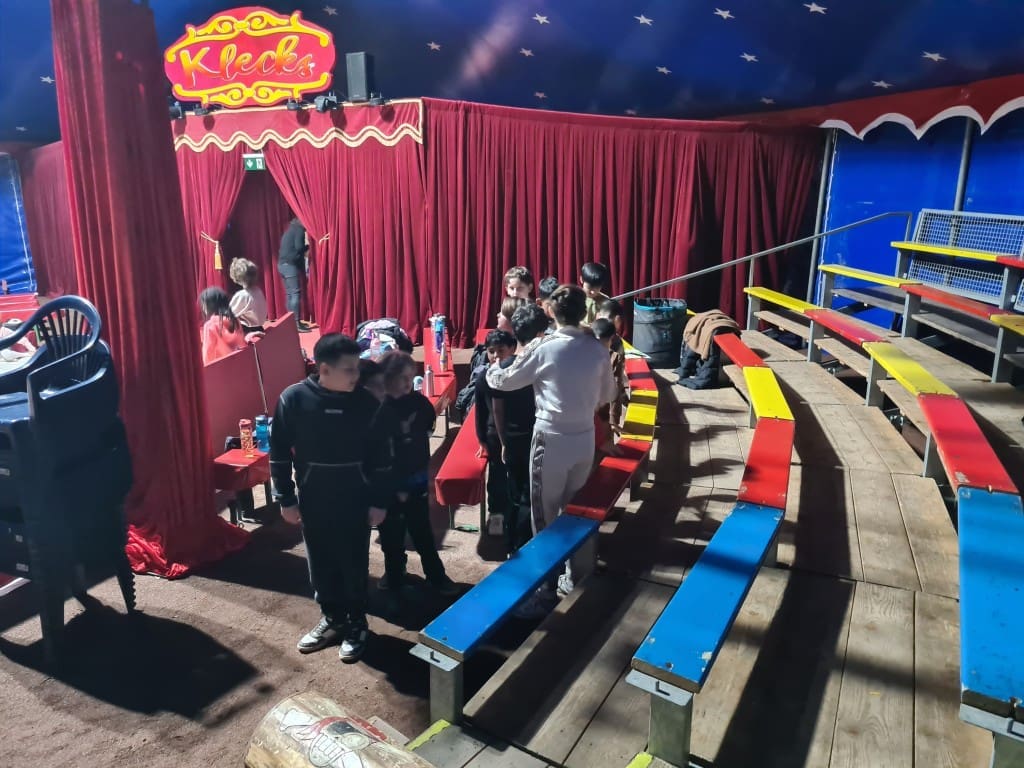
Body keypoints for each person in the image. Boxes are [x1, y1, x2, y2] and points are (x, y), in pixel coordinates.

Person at [487, 285, 616, 612]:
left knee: (544, 516)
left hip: (551, 439)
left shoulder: (545, 347)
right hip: (584, 438)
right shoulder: (597, 348)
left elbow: (504, 381)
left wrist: (492, 366)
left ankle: (545, 590)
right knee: (577, 511)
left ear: (551, 313)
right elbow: (608, 395)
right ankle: (575, 577)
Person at [270, 333, 394, 663]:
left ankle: (357, 624)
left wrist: (379, 501)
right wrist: (285, 498)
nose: (356, 375)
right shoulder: (293, 399)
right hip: (314, 498)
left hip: (356, 499)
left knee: (353, 563)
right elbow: (279, 452)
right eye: (349, 369)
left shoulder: (366, 403)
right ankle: (333, 618)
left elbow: (383, 457)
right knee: (321, 563)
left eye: (357, 368)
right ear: (324, 369)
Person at [376, 350, 459, 596]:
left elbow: (427, 431)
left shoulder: (420, 404)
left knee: (422, 530)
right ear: (386, 378)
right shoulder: (377, 408)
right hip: (387, 486)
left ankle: (436, 575)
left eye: (411, 377)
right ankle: (394, 575)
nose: (409, 382)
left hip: (416, 481)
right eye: (402, 378)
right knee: (390, 535)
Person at [499, 303, 549, 551]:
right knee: (532, 495)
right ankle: (526, 547)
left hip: (511, 439)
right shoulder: (542, 368)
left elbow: (496, 412)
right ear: (540, 334)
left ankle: (511, 545)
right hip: (535, 438)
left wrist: (503, 442)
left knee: (515, 492)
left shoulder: (502, 368)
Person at [474, 330, 517, 537]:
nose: (496, 356)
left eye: (501, 350)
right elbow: (480, 411)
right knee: (497, 474)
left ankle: (516, 511)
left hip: (517, 432)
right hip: (494, 435)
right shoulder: (484, 377)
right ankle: (496, 513)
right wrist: (481, 438)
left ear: (513, 349)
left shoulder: (520, 374)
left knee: (518, 473)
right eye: (492, 352)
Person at [596, 299, 628, 434]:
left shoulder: (616, 349)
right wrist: (613, 420)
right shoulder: (586, 337)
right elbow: (616, 383)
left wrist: (613, 419)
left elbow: (616, 383)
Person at [278, 216, 312, 332]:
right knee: (295, 293)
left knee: (290, 294)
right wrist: (309, 246)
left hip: (282, 265)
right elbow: (299, 247)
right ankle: (296, 323)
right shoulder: (298, 230)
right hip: (290, 265)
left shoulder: (290, 229)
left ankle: (292, 322)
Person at [199, 286, 246, 364]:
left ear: (209, 305)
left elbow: (207, 354)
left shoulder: (210, 325)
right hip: (241, 362)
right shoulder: (235, 320)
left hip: (221, 367)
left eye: (204, 304)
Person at [228, 258, 269, 333]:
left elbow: (229, 314)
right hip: (259, 328)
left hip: (246, 332)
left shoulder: (242, 295)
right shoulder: (258, 291)